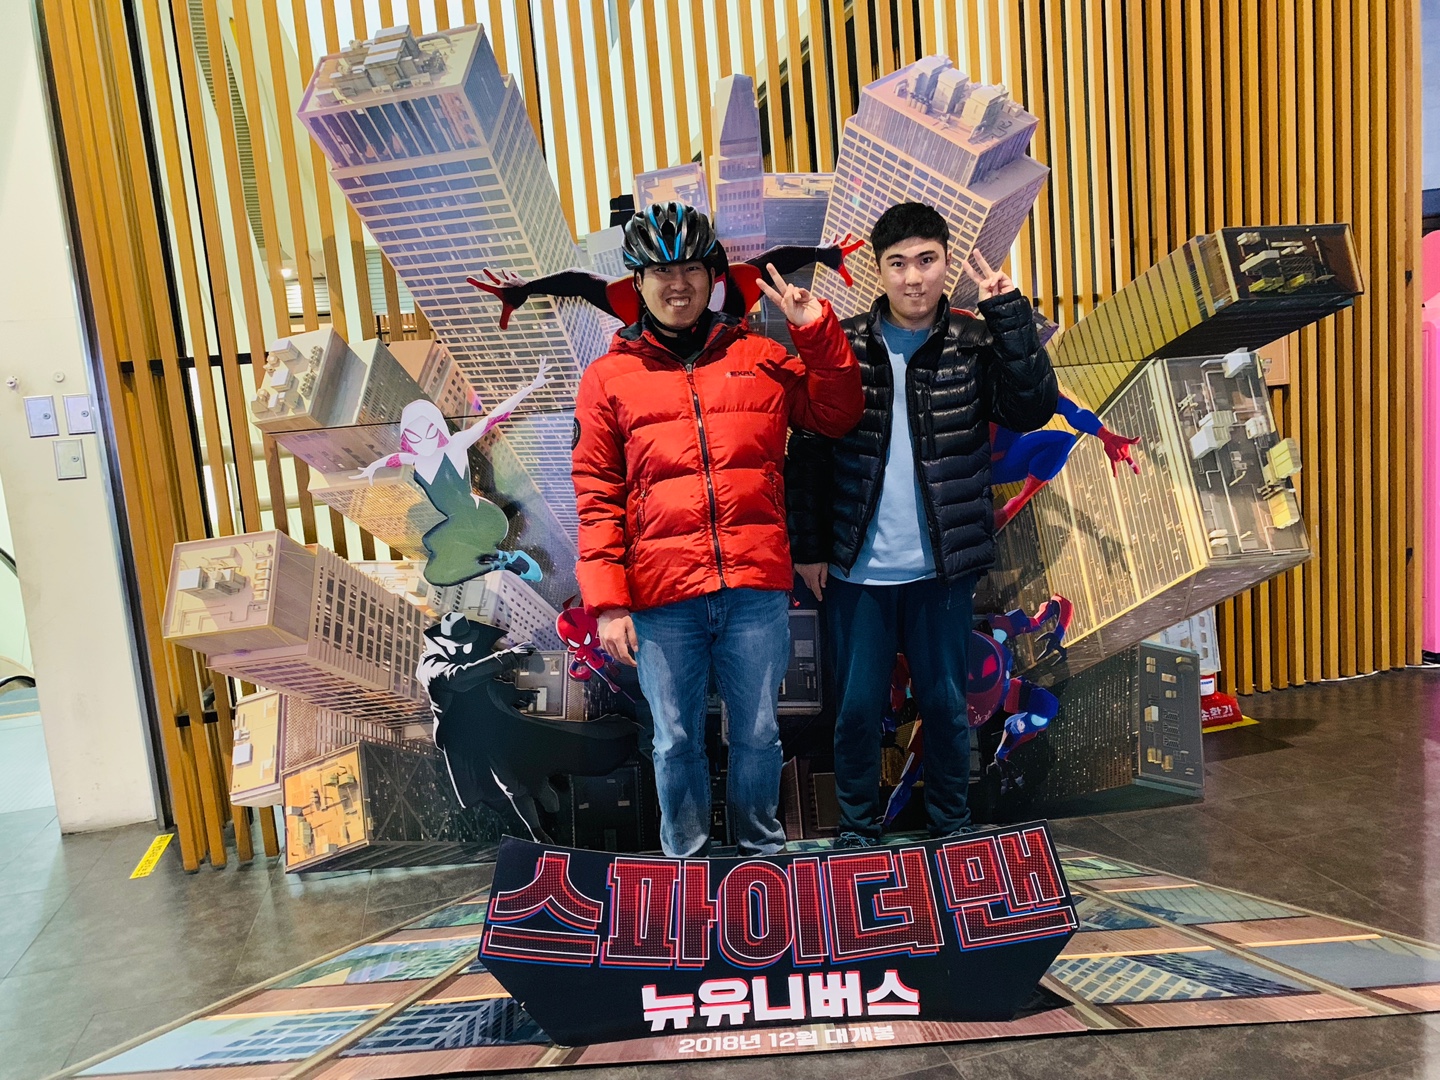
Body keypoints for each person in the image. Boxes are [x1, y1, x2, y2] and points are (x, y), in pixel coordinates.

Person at [571, 201, 864, 858]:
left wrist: (815, 333)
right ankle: (687, 864)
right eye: (661, 271)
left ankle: (761, 857)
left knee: (758, 734)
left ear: (714, 277)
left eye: (692, 270)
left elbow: (837, 414)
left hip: (753, 590)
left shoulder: (759, 355)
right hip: (661, 597)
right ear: (638, 282)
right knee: (674, 741)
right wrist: (609, 603)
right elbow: (597, 495)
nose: (678, 285)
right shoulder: (607, 378)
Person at [785, 201, 1058, 846]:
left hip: (942, 566)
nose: (913, 278)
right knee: (857, 710)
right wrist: (810, 547)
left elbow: (1032, 409)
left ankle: (950, 831)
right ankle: (857, 833)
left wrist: (1009, 315)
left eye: (927, 261)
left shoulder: (974, 341)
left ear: (945, 263)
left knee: (945, 705)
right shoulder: (845, 343)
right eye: (898, 263)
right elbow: (809, 451)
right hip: (857, 567)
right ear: (879, 271)